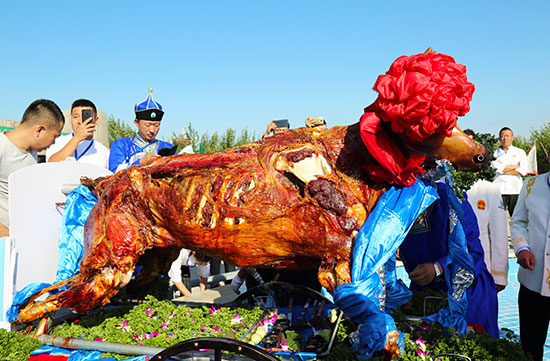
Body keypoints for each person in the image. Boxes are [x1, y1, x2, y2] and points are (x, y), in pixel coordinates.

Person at [399, 181, 499, 338]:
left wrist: (438, 267)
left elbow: (472, 251)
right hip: (424, 293)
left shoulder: (449, 197)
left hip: (466, 293)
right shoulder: (396, 200)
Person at [0, 99, 65, 237]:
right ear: (39, 130)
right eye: (55, 136)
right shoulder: (2, 148)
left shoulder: (32, 153)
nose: (53, 143)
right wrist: (11, 236)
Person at [510, 151, 550, 361]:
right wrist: (521, 248)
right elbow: (517, 222)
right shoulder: (531, 186)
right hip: (532, 283)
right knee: (530, 347)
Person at [464, 130, 509, 291]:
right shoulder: (443, 186)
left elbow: (499, 235)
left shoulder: (490, 189)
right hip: (446, 271)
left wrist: (498, 275)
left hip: (481, 271)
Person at [108, 88, 174, 173]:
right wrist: (140, 163)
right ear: (136, 122)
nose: (152, 130)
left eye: (156, 125)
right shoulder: (121, 145)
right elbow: (113, 172)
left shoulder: (168, 147)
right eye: (148, 125)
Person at [46, 99, 110, 168]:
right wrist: (77, 138)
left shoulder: (104, 152)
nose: (80, 121)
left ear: (96, 121)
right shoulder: (56, 142)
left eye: (85, 116)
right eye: (76, 117)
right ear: (71, 119)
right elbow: (51, 166)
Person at [491, 127, 528, 216]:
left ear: (512, 137)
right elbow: (495, 169)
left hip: (515, 190)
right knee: (497, 217)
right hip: (498, 190)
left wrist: (502, 170)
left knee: (516, 218)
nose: (505, 138)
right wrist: (516, 166)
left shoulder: (520, 152)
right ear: (499, 138)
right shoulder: (493, 154)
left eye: (507, 136)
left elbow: (523, 170)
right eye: (503, 136)